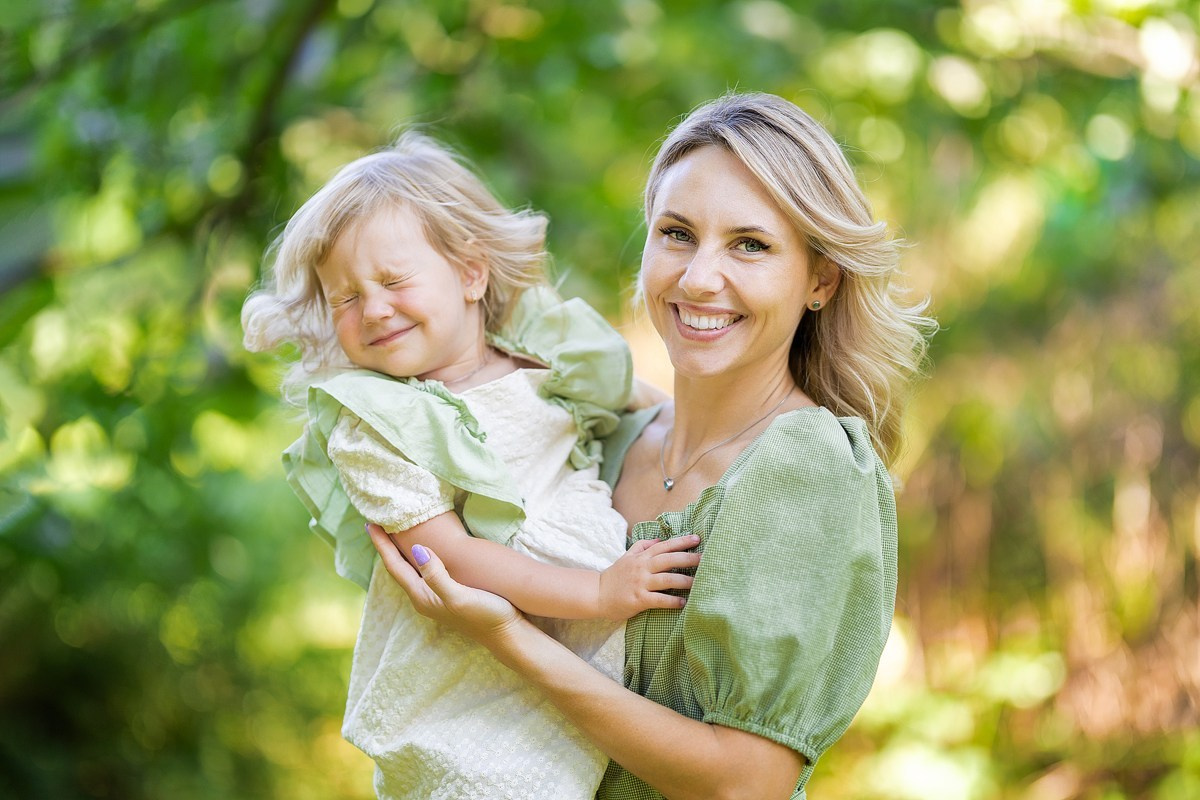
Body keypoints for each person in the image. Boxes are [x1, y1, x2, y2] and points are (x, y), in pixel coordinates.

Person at [368, 92, 935, 800]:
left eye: (750, 245)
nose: (698, 278)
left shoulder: (806, 468)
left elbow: (747, 785)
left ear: (819, 279)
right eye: (676, 233)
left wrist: (506, 637)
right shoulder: (604, 438)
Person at [241, 132, 701, 799]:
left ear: (469, 274)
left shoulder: (545, 354)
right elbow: (449, 558)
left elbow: (654, 408)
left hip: (566, 631)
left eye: (393, 281)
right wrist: (601, 592)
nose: (374, 309)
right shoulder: (376, 425)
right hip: (466, 668)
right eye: (345, 298)